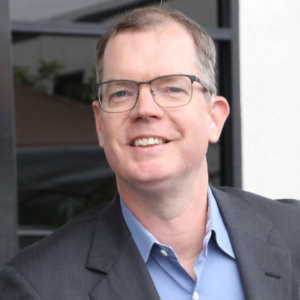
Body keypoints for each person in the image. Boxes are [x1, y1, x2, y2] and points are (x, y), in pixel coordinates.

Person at [1, 6, 300, 300]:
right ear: (100, 125)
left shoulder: (294, 236)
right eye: (121, 93)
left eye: (172, 88)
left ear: (214, 118)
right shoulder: (38, 286)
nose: (145, 109)